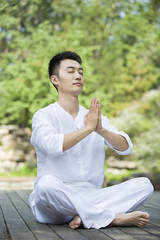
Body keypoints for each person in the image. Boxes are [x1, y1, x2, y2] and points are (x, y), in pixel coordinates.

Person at [29, 51, 153, 229]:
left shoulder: (94, 117)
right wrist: (88, 129)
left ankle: (86, 215)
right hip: (54, 201)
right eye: (71, 71)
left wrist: (100, 130)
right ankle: (112, 218)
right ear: (54, 79)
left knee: (144, 185)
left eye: (80, 71)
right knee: (45, 185)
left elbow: (125, 147)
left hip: (91, 195)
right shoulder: (43, 116)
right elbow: (52, 145)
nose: (78, 75)